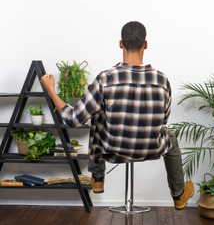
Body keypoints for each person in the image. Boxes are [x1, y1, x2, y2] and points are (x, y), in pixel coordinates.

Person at [40, 21, 194, 210]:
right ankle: (178, 195)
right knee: (170, 136)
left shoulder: (105, 79)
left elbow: (73, 119)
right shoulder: (161, 80)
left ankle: (97, 178)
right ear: (145, 44)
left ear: (120, 43)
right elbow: (163, 120)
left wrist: (51, 91)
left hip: (113, 149)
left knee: (97, 115)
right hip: (151, 148)